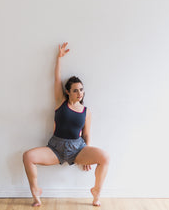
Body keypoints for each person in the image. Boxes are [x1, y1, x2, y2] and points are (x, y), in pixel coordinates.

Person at [22, 42, 110, 207]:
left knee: (105, 157)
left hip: (78, 149)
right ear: (68, 91)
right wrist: (58, 58)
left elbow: (87, 135)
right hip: (55, 148)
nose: (79, 93)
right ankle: (36, 192)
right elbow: (57, 78)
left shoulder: (86, 111)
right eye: (75, 90)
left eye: (81, 90)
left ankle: (96, 191)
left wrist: (88, 156)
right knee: (28, 156)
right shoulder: (60, 102)